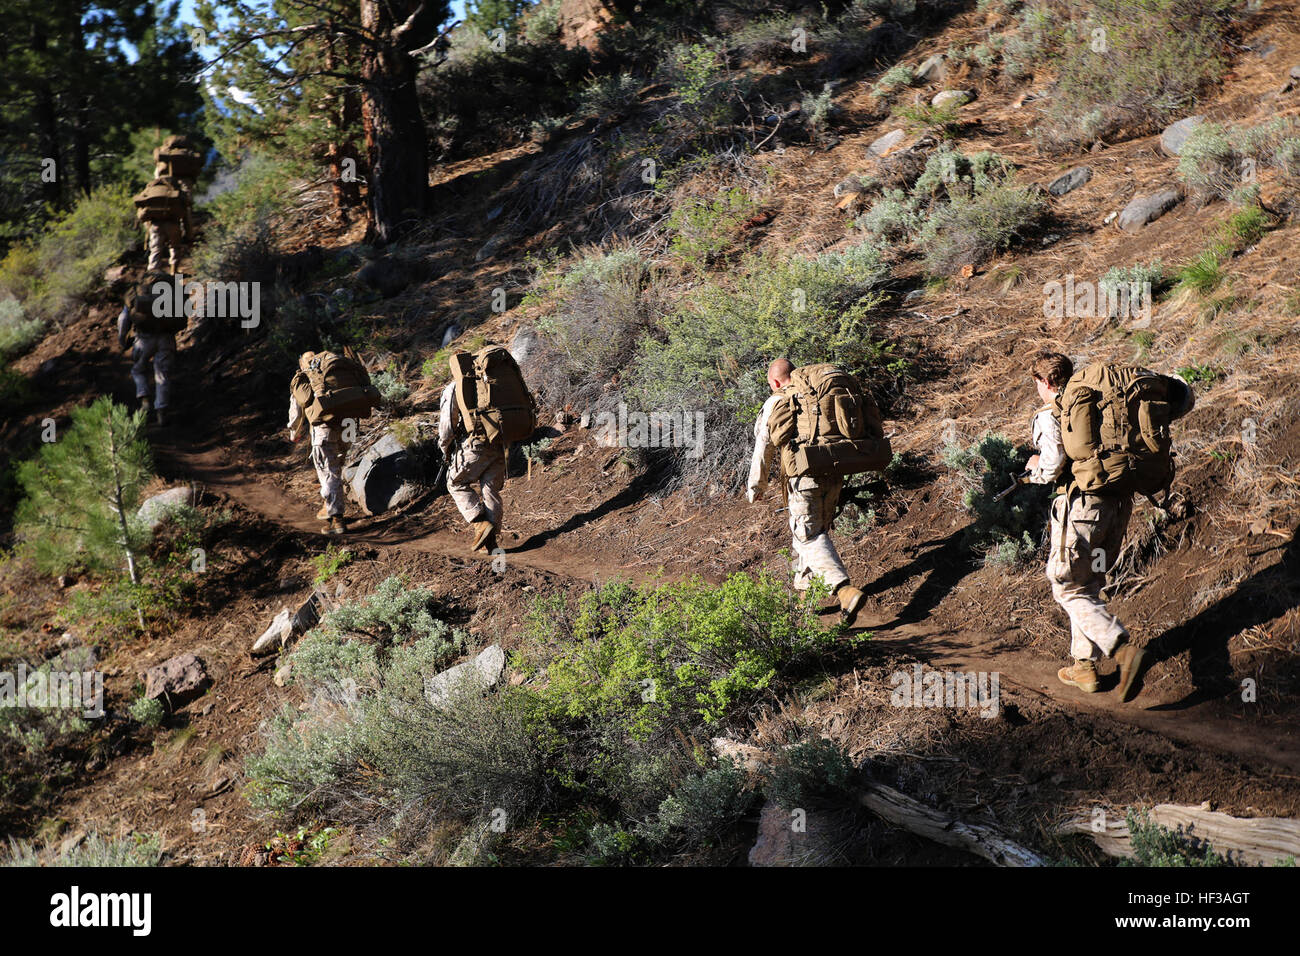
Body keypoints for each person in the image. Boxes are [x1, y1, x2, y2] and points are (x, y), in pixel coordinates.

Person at [1027, 351, 1192, 702]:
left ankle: (1121, 649)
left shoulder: (1053, 412)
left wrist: (1036, 468)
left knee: (1066, 586)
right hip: (1121, 503)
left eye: (1037, 384)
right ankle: (1084, 666)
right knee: (1089, 583)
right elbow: (1184, 400)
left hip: (1083, 506)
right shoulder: (1106, 401)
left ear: (1045, 382)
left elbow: (1054, 463)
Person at [746, 357, 867, 625]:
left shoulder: (778, 400)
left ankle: (844, 590)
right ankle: (803, 607)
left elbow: (763, 446)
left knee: (807, 535)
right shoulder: (813, 396)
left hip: (805, 479)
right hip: (835, 473)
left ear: (775, 381)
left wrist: (757, 485)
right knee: (810, 535)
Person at [439, 375, 505, 553]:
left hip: (475, 445)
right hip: (500, 443)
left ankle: (479, 525)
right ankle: (490, 543)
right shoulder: (492, 381)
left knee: (454, 483)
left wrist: (444, 447)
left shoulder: (455, 387)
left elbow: (448, 425)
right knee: (489, 490)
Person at [288, 351, 349, 535]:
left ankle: (337, 520)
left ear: (302, 364)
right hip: (349, 427)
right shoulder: (332, 376)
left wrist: (294, 433)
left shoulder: (304, 380)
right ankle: (330, 506)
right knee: (337, 468)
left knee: (328, 472)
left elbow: (296, 412)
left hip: (324, 431)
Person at [117, 271, 181, 426]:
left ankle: (144, 399)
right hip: (166, 338)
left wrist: (122, 338)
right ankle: (161, 411)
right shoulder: (172, 292)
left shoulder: (135, 293)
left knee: (138, 370)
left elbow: (123, 319)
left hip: (144, 338)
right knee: (162, 374)